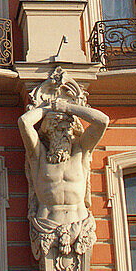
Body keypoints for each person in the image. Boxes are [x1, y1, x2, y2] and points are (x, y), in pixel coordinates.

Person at [19, 98, 109, 261]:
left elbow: (103, 121)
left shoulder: (80, 152)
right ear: (50, 132)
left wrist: (68, 108)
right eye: (61, 130)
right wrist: (46, 109)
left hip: (80, 226)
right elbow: (24, 122)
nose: (66, 135)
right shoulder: (38, 156)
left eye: (69, 130)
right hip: (46, 227)